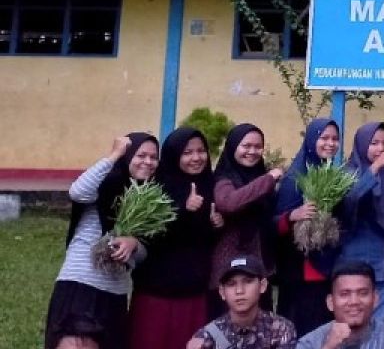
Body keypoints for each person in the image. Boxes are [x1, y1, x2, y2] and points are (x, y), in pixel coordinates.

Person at [44, 133, 159, 349]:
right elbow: (77, 192)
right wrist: (114, 155)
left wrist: (133, 243)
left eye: (154, 157)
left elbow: (146, 252)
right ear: (128, 155)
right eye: (141, 155)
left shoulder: (149, 198)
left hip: (115, 292)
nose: (148, 162)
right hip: (80, 285)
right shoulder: (106, 184)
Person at [130, 126, 222, 349]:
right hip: (156, 293)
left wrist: (217, 224)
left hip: (194, 293)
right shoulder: (155, 188)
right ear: (174, 155)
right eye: (187, 152)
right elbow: (150, 235)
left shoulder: (210, 186)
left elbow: (205, 241)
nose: (196, 158)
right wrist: (183, 210)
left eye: (201, 151)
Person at [276, 118, 363, 337]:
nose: (330, 143)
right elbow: (272, 224)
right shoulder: (294, 178)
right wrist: (292, 216)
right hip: (300, 273)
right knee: (302, 329)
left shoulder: (331, 175)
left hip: (327, 267)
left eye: (335, 139)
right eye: (324, 138)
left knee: (325, 330)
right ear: (311, 139)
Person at [340, 121, 384, 324]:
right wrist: (374, 169)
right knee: (352, 325)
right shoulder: (348, 173)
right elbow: (349, 200)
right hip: (353, 266)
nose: (380, 148)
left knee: (378, 327)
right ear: (362, 144)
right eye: (374, 143)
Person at [210, 123, 284, 317]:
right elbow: (228, 203)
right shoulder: (224, 178)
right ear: (234, 146)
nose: (252, 151)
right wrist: (268, 180)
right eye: (246, 146)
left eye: (258, 147)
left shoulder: (259, 175)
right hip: (230, 272)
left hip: (259, 268)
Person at [187, 256, 298, 349]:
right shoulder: (207, 336)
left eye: (248, 281)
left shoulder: (280, 329)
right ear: (222, 292)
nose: (239, 291)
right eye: (231, 284)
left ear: (263, 286)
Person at [296, 262, 384, 349]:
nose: (354, 301)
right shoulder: (309, 343)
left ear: (375, 299)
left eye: (363, 293)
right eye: (345, 294)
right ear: (330, 302)